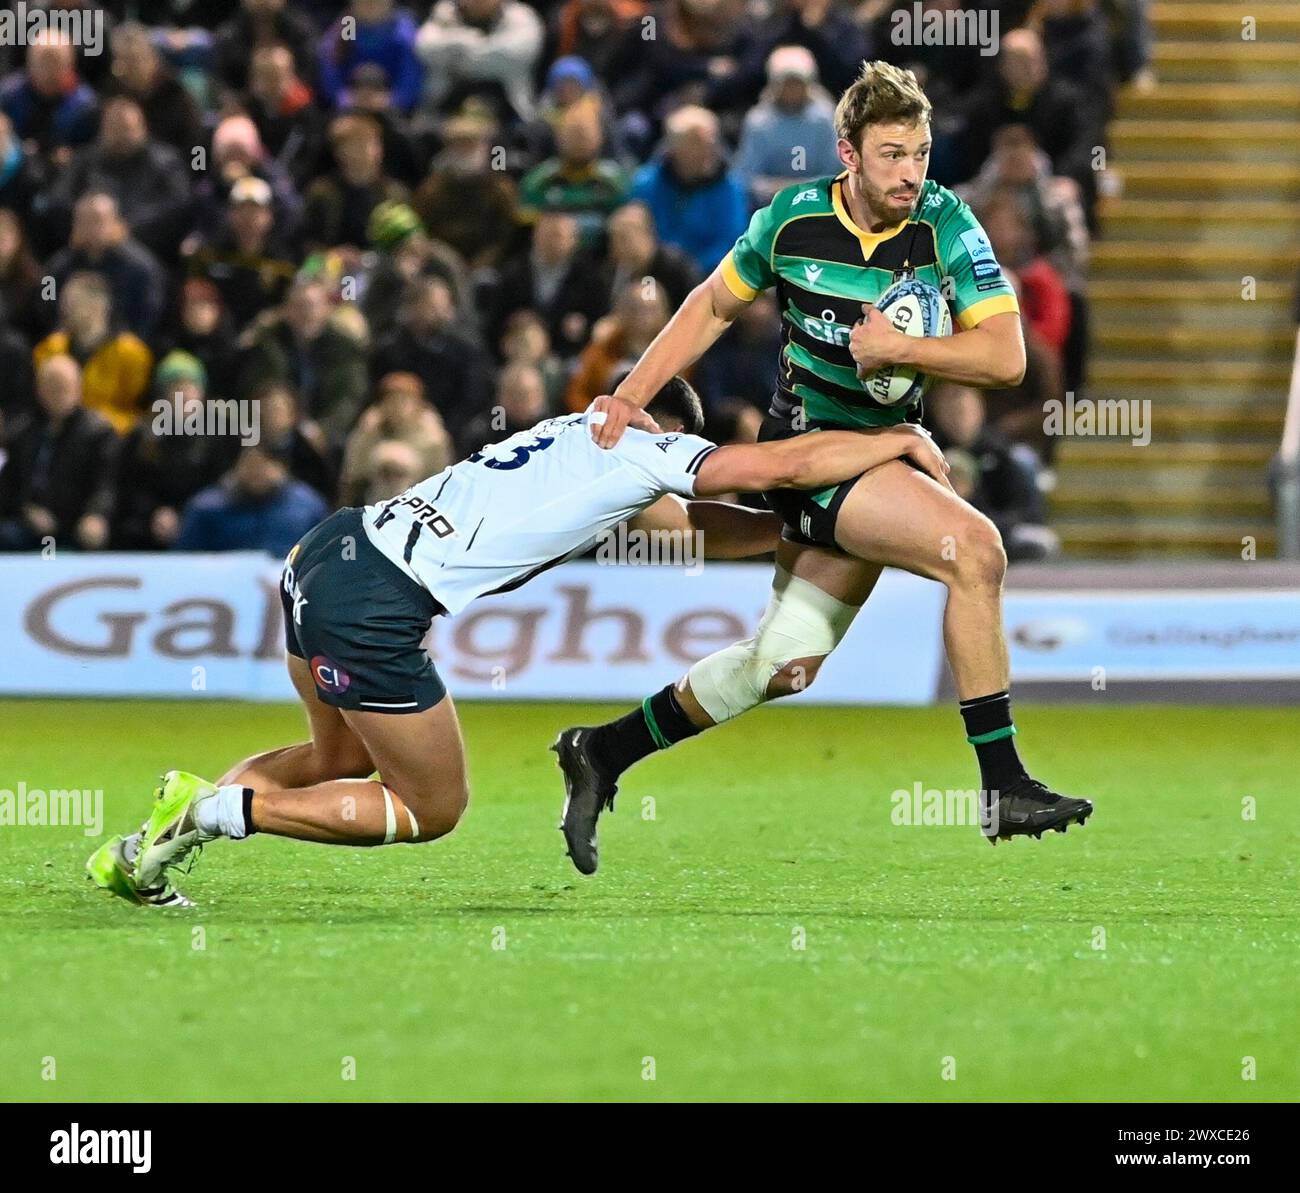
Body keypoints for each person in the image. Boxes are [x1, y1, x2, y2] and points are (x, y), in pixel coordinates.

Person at [86, 377, 950, 906]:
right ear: (669, 429)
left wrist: (783, 535)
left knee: (335, 756)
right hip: (378, 605)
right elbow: (779, 471)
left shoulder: (577, 435)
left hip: (328, 551)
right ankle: (216, 809)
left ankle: (153, 844)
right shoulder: (644, 448)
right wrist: (894, 443)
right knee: (431, 806)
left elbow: (695, 524)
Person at [566, 61, 1095, 871]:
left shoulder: (947, 222)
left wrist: (901, 349)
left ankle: (601, 750)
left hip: (876, 455)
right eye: (892, 155)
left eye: (919, 153)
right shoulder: (791, 220)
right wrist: (628, 396)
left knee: (780, 666)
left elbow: (1007, 357)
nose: (910, 173)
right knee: (976, 550)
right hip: (815, 455)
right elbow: (711, 304)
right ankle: (1003, 783)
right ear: (846, 152)